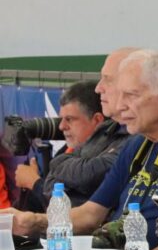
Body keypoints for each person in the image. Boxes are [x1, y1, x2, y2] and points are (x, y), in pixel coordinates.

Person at [2, 49, 158, 247]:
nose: (121, 105)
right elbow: (91, 214)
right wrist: (32, 221)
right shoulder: (137, 144)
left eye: (131, 95)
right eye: (120, 94)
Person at [13, 81, 128, 209]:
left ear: (97, 120)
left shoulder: (120, 148)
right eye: (61, 119)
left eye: (69, 119)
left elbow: (75, 206)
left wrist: (35, 183)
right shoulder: (66, 150)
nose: (61, 126)